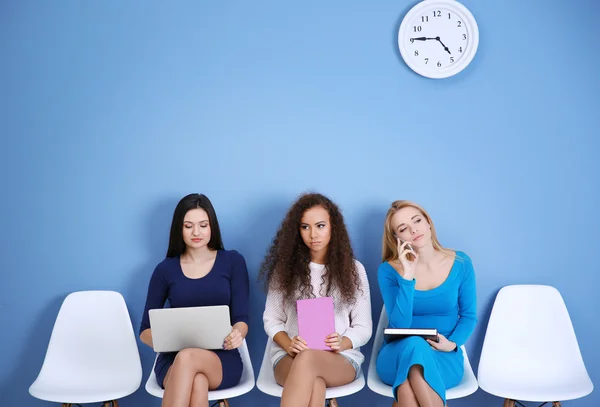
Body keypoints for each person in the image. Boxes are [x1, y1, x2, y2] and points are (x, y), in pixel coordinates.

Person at [260, 192, 372, 407]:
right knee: (315, 382)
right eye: (305, 227)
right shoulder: (284, 271)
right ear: (297, 231)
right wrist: (289, 343)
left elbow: (363, 327)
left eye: (320, 226)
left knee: (308, 361)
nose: (313, 234)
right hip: (289, 357)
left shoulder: (354, 270)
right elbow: (271, 319)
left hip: (340, 358)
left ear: (333, 228)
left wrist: (343, 343)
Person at [139, 193, 250, 407]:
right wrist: (164, 340)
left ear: (212, 226)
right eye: (188, 226)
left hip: (221, 359)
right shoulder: (165, 270)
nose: (196, 232)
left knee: (188, 358)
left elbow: (241, 318)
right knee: (197, 380)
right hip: (173, 360)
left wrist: (238, 334)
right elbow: (144, 330)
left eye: (203, 225)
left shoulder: (233, 262)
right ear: (179, 229)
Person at [376, 200, 477, 407]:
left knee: (406, 389)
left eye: (417, 221)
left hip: (443, 354)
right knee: (414, 344)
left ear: (428, 222)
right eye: (403, 228)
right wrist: (408, 276)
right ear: (397, 239)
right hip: (397, 355)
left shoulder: (461, 263)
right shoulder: (388, 271)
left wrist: (452, 344)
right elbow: (399, 327)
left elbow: (469, 316)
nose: (413, 230)